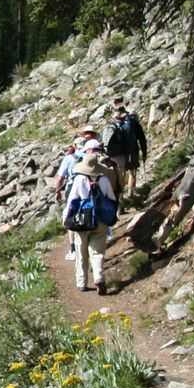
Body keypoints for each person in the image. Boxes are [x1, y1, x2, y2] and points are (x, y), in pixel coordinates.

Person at [62, 154, 117, 294]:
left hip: (82, 219)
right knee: (97, 252)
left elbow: (72, 200)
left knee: (81, 251)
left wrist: (65, 217)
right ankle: (99, 277)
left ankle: (82, 282)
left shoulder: (79, 179)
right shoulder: (104, 179)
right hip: (101, 219)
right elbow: (112, 198)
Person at [54, 126, 97, 261]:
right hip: (88, 186)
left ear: (74, 146)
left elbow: (60, 178)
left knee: (72, 215)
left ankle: (73, 248)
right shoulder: (90, 157)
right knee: (88, 210)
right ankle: (90, 242)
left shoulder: (69, 158)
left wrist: (57, 192)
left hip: (72, 188)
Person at [102, 101, 148, 200]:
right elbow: (142, 139)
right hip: (131, 153)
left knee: (121, 176)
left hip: (116, 155)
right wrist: (144, 153)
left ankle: (121, 199)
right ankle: (131, 196)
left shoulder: (111, 125)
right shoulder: (132, 124)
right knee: (132, 174)